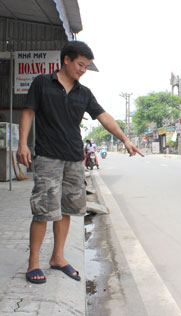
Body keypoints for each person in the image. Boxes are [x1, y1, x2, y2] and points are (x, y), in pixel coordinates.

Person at [16, 41, 143, 284]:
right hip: (48, 156)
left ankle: (58, 257)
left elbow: (103, 116)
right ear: (66, 60)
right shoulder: (42, 83)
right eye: (80, 64)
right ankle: (33, 262)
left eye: (86, 66)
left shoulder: (84, 93)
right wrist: (23, 143)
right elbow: (28, 111)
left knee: (67, 209)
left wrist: (125, 139)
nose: (83, 70)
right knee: (43, 210)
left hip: (74, 158)